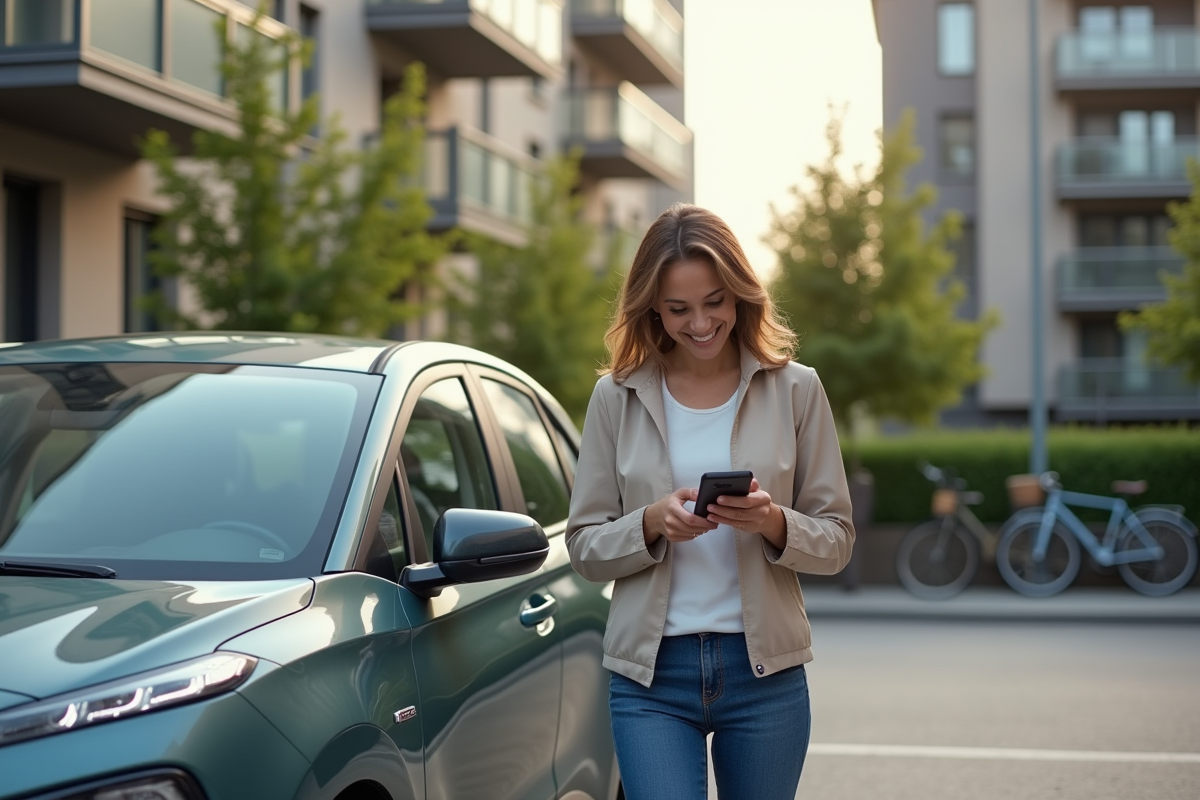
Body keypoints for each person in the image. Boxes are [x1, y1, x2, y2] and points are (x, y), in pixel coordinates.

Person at [566, 204, 855, 800]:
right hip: (650, 679)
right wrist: (650, 523)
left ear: (741, 295)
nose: (699, 323)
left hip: (764, 675)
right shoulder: (615, 397)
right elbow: (584, 547)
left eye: (715, 302)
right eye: (678, 309)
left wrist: (773, 522)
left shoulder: (797, 388)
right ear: (652, 307)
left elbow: (837, 540)